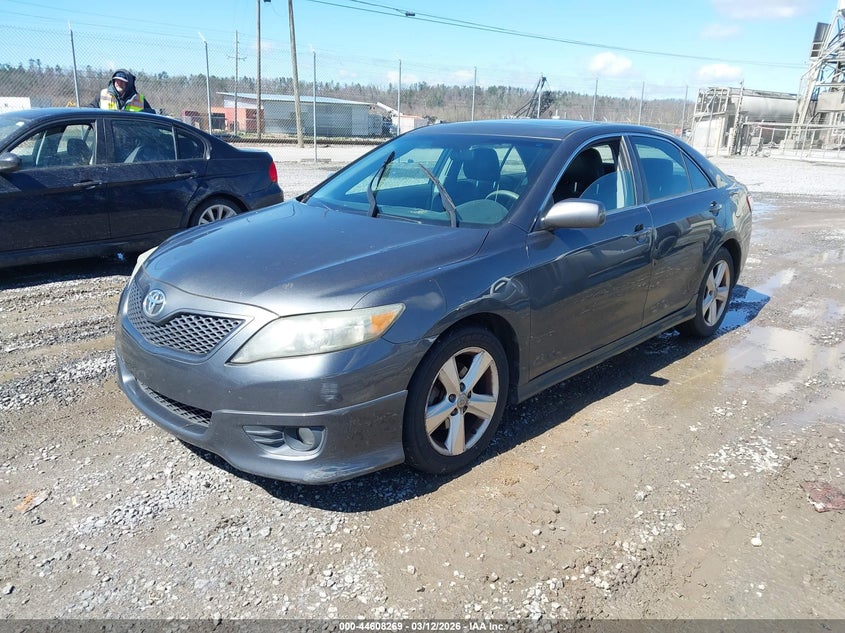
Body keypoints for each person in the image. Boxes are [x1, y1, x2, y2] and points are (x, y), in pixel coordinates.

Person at [89, 69, 154, 112]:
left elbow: (151, 119)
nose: (119, 83)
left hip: (130, 132)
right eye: (117, 80)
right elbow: (90, 112)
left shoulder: (139, 99)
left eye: (123, 81)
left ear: (129, 84)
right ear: (113, 81)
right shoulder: (103, 94)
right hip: (107, 132)